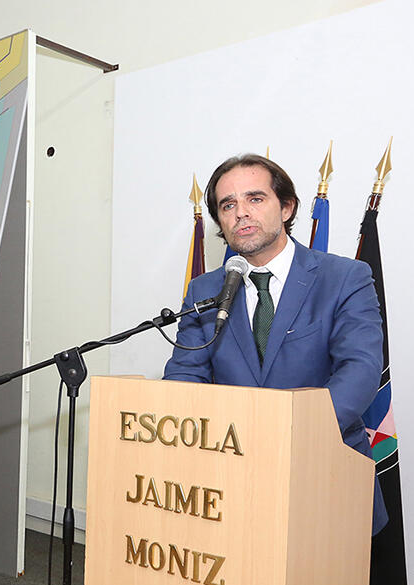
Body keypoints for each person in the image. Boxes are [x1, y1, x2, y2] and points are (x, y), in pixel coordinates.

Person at [163, 153, 387, 534]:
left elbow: (360, 370)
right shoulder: (205, 290)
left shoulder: (344, 277)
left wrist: (289, 437)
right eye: (228, 204)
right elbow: (186, 374)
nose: (241, 213)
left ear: (286, 207)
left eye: (255, 199)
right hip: (229, 475)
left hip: (323, 470)